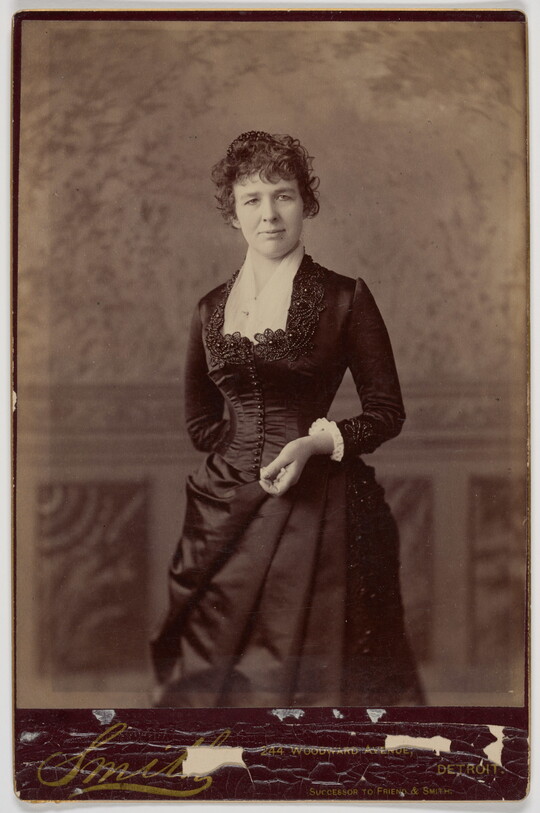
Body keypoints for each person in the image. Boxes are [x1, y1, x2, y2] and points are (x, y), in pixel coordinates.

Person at [151, 131, 423, 708]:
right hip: (222, 511)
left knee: (306, 682)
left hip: (319, 513)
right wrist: (243, 453)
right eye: (252, 200)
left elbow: (386, 411)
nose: (269, 215)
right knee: (208, 685)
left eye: (284, 196)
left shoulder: (346, 298)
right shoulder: (209, 310)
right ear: (233, 213)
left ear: (306, 203)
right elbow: (201, 424)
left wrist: (310, 446)